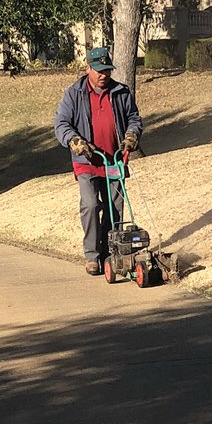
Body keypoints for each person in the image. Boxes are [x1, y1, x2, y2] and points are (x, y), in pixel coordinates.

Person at [54, 46, 143, 275]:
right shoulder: (74, 93)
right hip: (87, 161)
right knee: (91, 205)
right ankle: (93, 255)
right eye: (99, 70)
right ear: (88, 68)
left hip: (113, 159)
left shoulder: (121, 92)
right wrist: (75, 141)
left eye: (107, 70)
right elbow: (61, 124)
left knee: (115, 208)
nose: (104, 75)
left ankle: (110, 252)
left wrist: (132, 135)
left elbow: (134, 118)